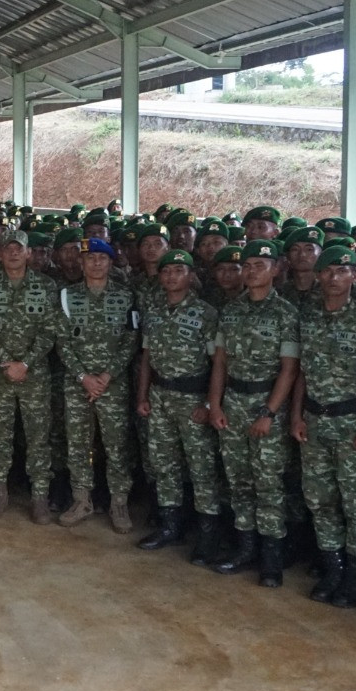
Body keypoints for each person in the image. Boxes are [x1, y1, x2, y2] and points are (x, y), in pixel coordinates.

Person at [290, 246, 356, 608]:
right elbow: (301, 371)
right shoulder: (308, 316)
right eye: (327, 271)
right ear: (317, 276)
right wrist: (296, 415)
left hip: (353, 422)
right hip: (314, 420)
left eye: (342, 271)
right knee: (320, 500)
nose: (334, 277)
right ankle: (334, 568)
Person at [208, 240, 301, 587]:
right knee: (238, 481)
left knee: (269, 484)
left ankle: (271, 560)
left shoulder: (286, 313)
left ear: (276, 269)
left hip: (266, 406)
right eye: (246, 266)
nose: (251, 271)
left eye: (259, 265)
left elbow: (289, 370)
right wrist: (215, 404)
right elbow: (220, 362)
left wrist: (269, 412)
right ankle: (245, 549)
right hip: (233, 401)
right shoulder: (230, 311)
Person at [135, 249, 224, 564]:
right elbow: (146, 358)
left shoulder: (207, 313)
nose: (171, 276)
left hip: (193, 399)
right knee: (165, 466)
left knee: (200, 469)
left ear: (191, 276)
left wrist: (209, 403)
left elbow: (218, 364)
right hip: (160, 396)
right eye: (166, 271)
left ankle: (207, 536)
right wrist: (142, 396)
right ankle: (169, 527)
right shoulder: (154, 310)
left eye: (178, 270)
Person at [0, 230, 59, 523]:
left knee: (38, 438)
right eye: (7, 249)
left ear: (28, 254)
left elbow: (50, 331)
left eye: (18, 249)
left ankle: (39, 498)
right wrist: (6, 362)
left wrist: (25, 363)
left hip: (34, 377)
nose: (13, 254)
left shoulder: (46, 287)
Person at [55, 238, 139, 532]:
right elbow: (61, 342)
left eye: (101, 259)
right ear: (81, 263)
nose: (95, 264)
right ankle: (82, 500)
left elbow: (131, 341)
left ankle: (119, 503)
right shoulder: (67, 295)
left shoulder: (126, 296)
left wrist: (107, 376)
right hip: (77, 384)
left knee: (116, 446)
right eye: (89, 259)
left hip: (112, 386)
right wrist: (83, 377)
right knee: (77, 444)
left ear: (110, 262)